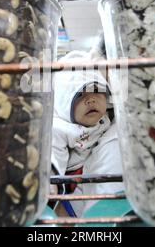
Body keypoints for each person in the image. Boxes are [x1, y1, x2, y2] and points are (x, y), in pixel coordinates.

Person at [51, 50, 124, 217]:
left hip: (92, 167)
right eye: (80, 95)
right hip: (71, 177)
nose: (91, 100)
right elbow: (53, 154)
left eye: (97, 90)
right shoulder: (60, 127)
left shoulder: (105, 116)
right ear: (64, 102)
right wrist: (52, 180)